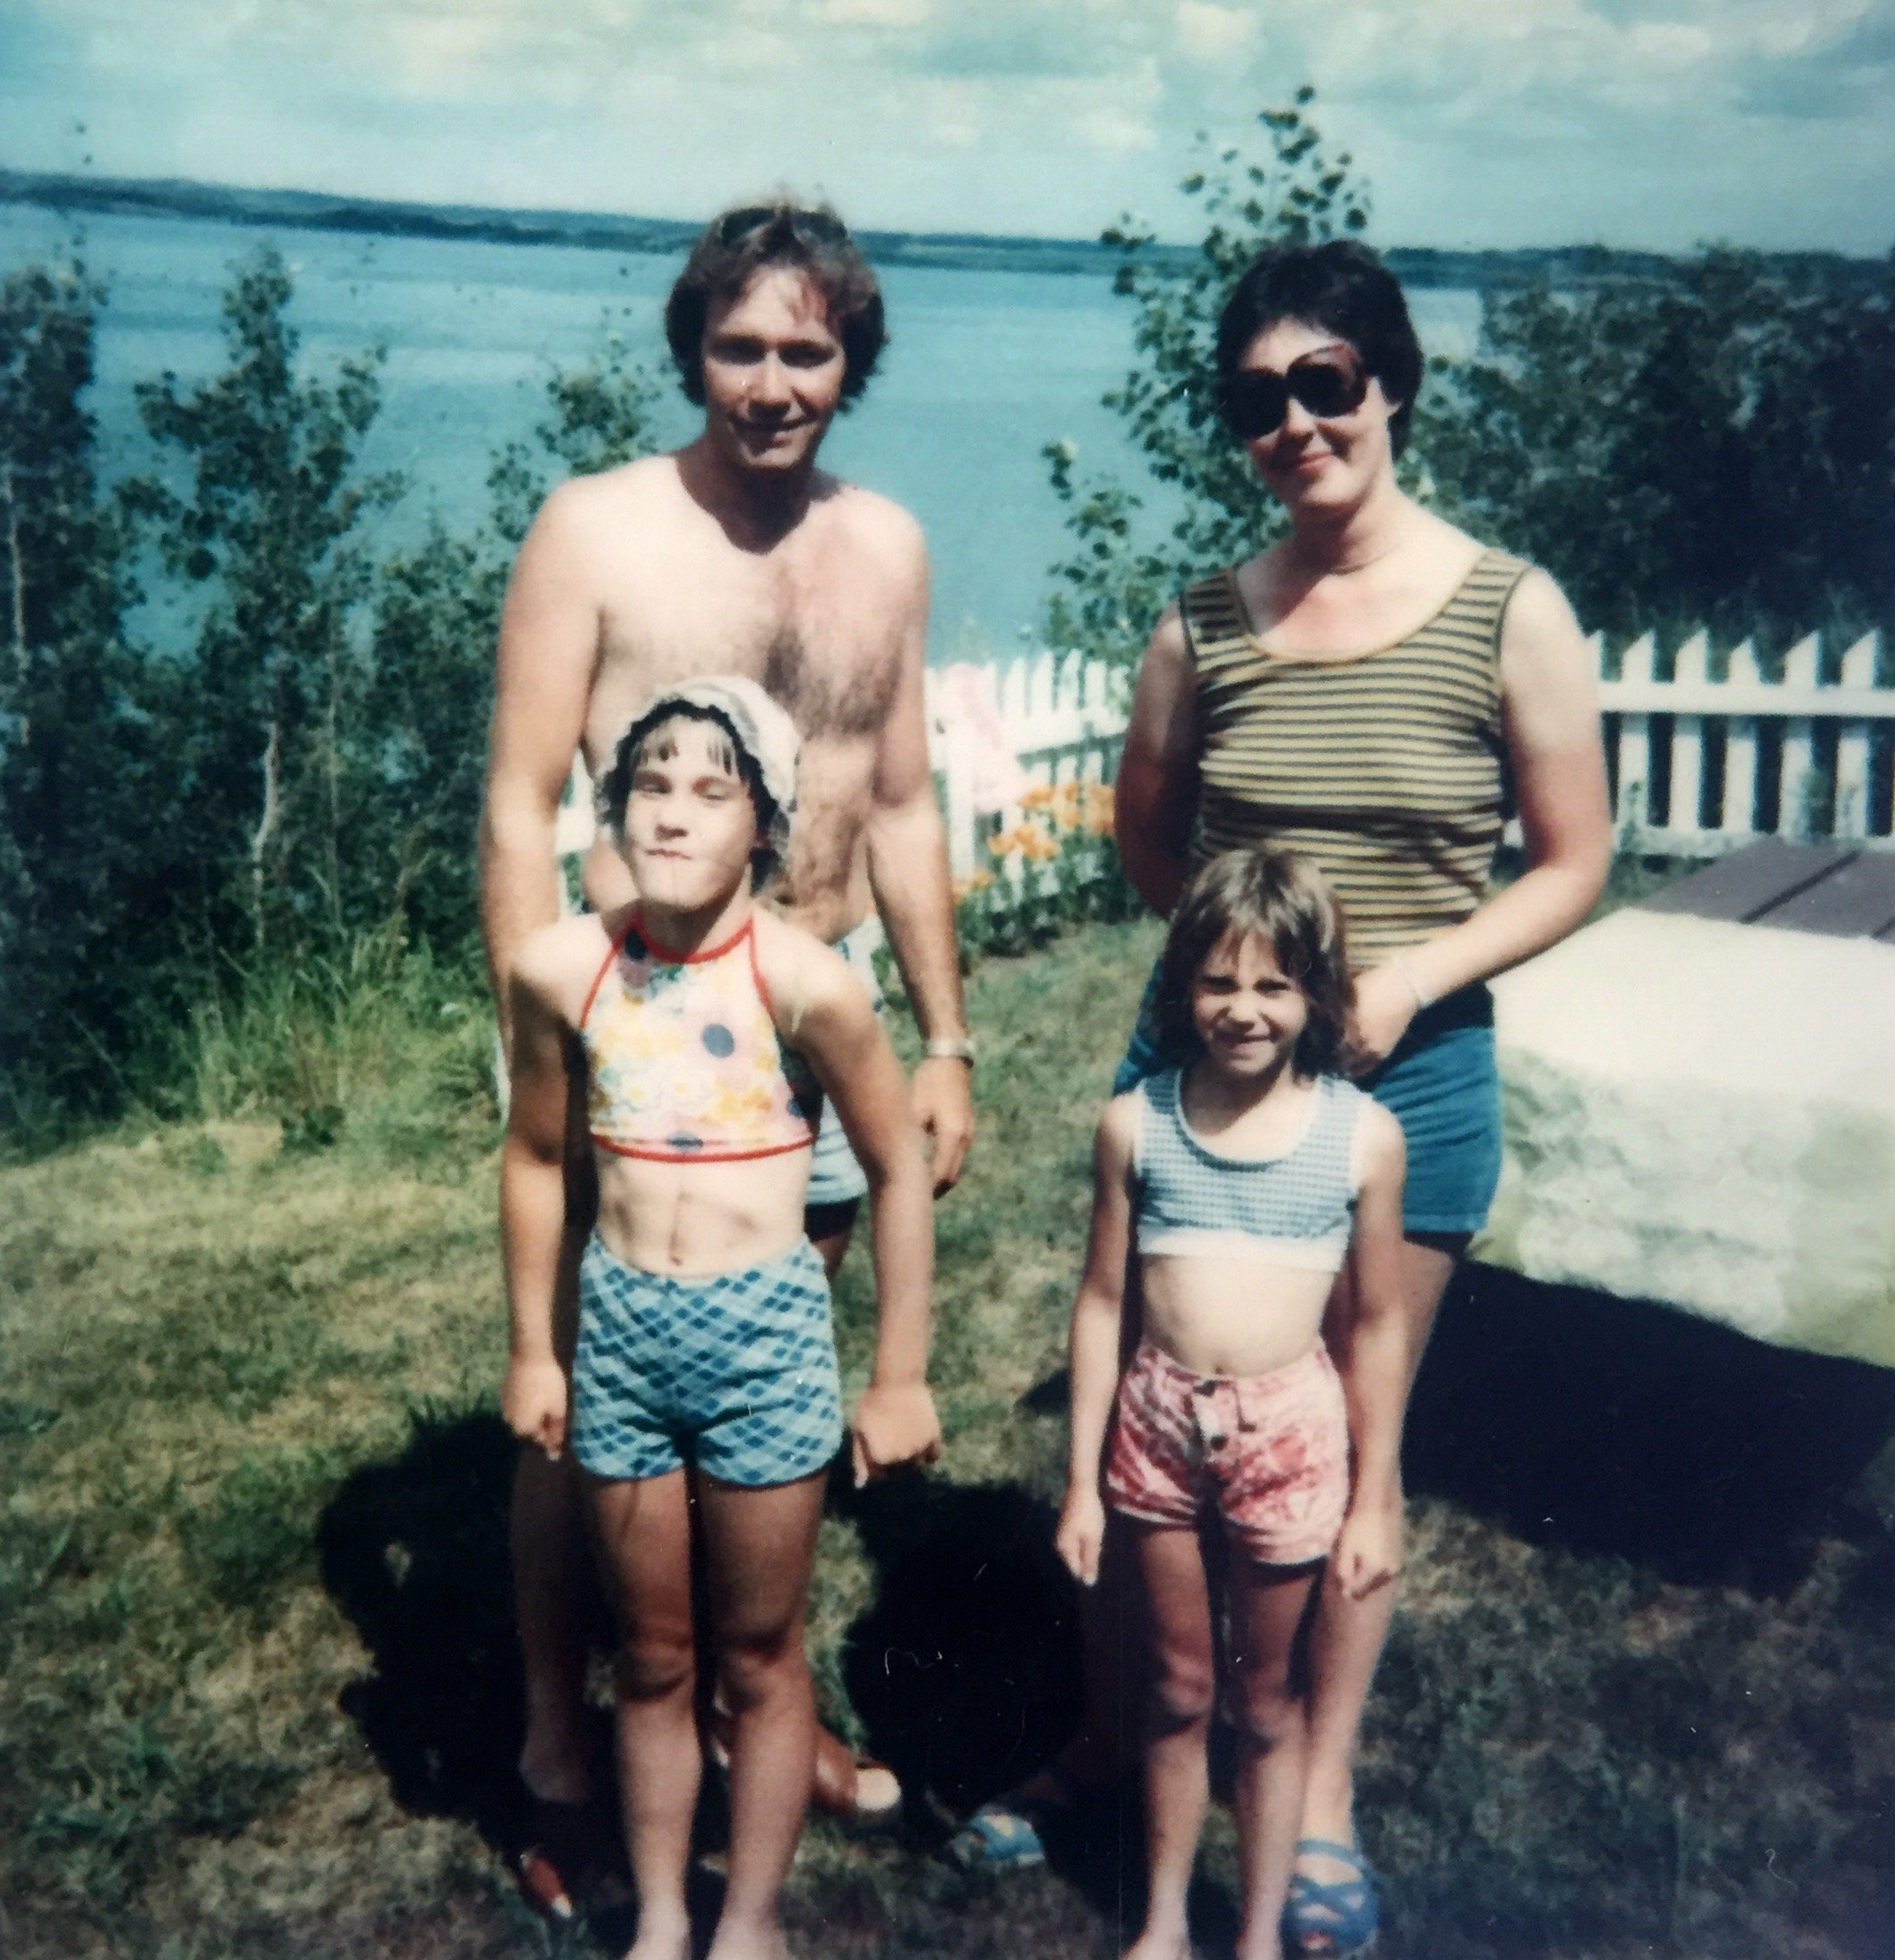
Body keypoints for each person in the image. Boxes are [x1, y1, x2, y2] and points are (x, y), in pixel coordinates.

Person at [963, 239, 1612, 1955]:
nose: (1292, 423)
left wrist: (1402, 975)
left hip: (1412, 1081)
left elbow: (1576, 860)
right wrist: (1230, 975)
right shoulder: (1203, 619)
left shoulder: (1506, 606)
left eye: (1323, 382)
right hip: (1200, 1081)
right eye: (1256, 399)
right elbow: (1142, 835)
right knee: (1147, 1417)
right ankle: (1120, 1728)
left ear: (1387, 383)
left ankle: (1310, 1792)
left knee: (1330, 1443)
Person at [479, 198, 976, 1884]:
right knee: (581, 1384)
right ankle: (564, 1735)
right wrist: (536, 1017)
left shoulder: (888, 546)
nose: (770, 382)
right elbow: (518, 792)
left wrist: (948, 1036)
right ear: (694, 349)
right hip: (630, 1024)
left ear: (852, 362)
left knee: (766, 1381)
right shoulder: (597, 529)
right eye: (739, 345)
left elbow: (899, 803)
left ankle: (749, 1698)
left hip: (811, 1016)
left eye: (806, 350)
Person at [501, 678, 942, 1960]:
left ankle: (746, 1924)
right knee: (648, 1651)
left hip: (765, 1347)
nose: (678, 810)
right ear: (614, 809)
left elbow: (899, 1164)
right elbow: (536, 1159)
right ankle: (656, 1920)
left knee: (756, 1654)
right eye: (652, 781)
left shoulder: (808, 988)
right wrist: (538, 1345)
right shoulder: (562, 973)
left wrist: (897, 1372)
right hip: (624, 1340)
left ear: (767, 825)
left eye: (715, 786)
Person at [1055, 848, 1410, 1960]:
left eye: (1273, 984)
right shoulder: (1136, 1125)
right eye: (1218, 981)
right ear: (1182, 986)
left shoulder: (1361, 1137)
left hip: (1292, 1436)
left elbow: (1380, 1324)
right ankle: (1162, 1920)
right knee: (1176, 1687)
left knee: (1267, 1704)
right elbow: (1104, 1300)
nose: (1243, 1010)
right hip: (1156, 1431)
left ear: (1316, 993)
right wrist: (1081, 1480)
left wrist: (1373, 1496)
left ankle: (1255, 1931)